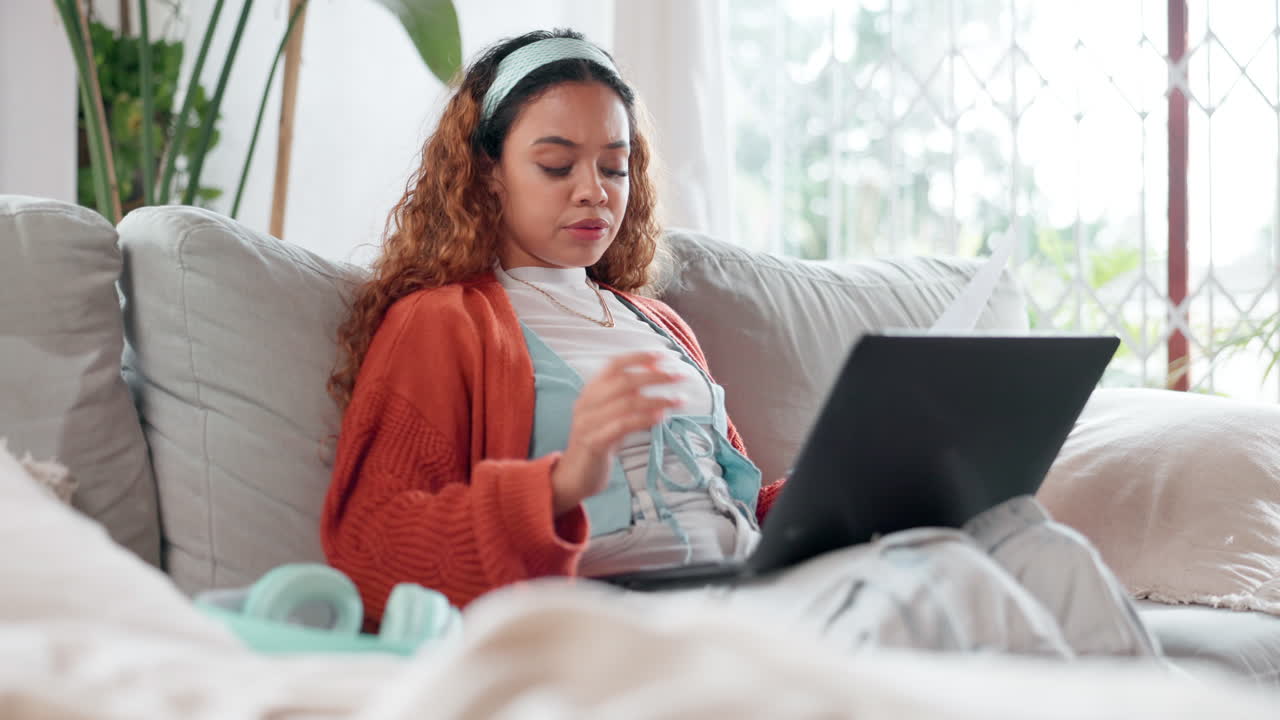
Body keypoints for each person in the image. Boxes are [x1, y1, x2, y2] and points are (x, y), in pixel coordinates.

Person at [321, 28, 1160, 659]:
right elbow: (371, 546)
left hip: (744, 582)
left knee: (1030, 540)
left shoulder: (657, 323)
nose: (593, 189)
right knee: (945, 581)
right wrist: (562, 481)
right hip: (622, 614)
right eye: (556, 163)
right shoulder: (445, 321)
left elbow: (731, 500)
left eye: (614, 166)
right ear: (487, 171)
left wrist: (878, 472)